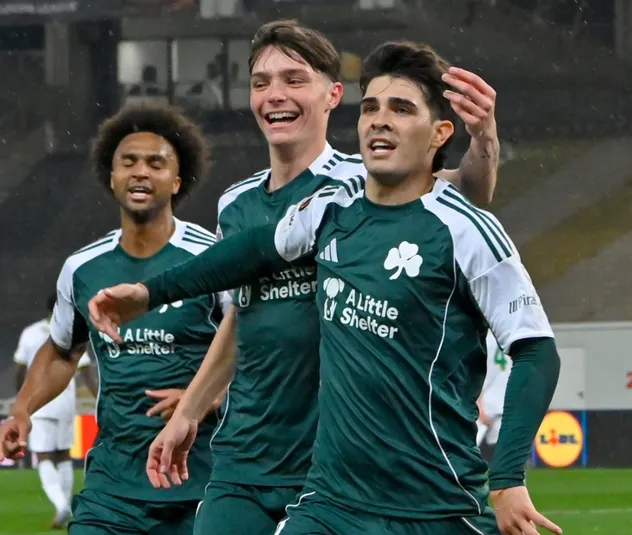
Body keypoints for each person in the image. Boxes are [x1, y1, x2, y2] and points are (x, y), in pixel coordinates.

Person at [86, 41, 562, 535]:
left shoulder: (463, 229)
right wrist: (149, 294)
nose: (380, 120)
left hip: (436, 503)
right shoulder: (330, 208)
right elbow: (251, 253)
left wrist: (507, 479)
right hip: (330, 501)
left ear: (439, 133)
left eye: (401, 109)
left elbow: (536, 351)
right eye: (371, 108)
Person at [0, 101, 228, 535]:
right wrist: (23, 410)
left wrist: (203, 398)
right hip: (112, 488)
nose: (141, 172)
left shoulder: (213, 259)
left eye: (156, 163)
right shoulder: (82, 268)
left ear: (177, 181)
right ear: (112, 176)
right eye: (129, 161)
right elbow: (63, 352)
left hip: (200, 483)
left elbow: (255, 347)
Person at [13, 293, 97, 529]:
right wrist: (99, 397)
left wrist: (21, 403)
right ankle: (67, 506)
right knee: (63, 454)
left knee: (43, 456)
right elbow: (86, 371)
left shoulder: (30, 333)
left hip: (39, 402)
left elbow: (20, 370)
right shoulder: (71, 332)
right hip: (66, 401)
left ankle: (61, 505)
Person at [476, 331, 512, 457]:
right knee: (503, 454)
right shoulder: (512, 341)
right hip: (504, 405)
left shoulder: (482, 341)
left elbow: (475, 375)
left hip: (483, 403)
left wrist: (478, 405)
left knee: (467, 451)